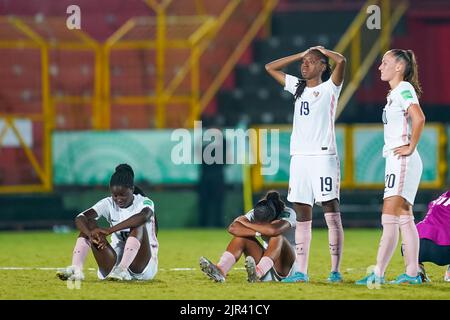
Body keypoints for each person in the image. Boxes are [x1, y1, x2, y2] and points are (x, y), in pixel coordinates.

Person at [265, 46, 346, 283]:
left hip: (323, 156)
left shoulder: (330, 88)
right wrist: (299, 54)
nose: (306, 64)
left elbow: (341, 61)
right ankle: (301, 271)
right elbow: (270, 67)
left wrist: (323, 51)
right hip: (299, 157)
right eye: (305, 61)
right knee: (302, 213)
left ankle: (335, 270)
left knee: (330, 210)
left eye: (312, 61)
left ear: (323, 66)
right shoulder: (298, 87)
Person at [356, 49, 426, 285]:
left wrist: (410, 147)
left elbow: (419, 117)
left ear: (398, 67)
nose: (379, 67)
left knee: (389, 218)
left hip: (402, 160)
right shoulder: (396, 92)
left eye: (384, 62)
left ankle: (377, 274)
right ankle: (413, 273)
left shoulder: (403, 89)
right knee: (405, 217)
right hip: (399, 160)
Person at [56, 164, 159, 281]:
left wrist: (109, 230)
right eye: (115, 195)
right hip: (113, 263)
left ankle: (122, 269)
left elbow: (143, 216)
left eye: (123, 195)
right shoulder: (108, 203)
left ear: (132, 189)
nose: (118, 199)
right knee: (89, 223)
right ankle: (76, 269)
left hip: (142, 265)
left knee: (137, 223)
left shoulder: (144, 202)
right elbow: (80, 218)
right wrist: (91, 235)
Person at [199, 191, 297, 282]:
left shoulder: (288, 213)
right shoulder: (258, 212)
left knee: (277, 237)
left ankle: (258, 272)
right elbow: (233, 228)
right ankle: (220, 270)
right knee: (241, 237)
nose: (258, 224)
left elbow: (273, 230)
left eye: (262, 224)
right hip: (266, 265)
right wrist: (257, 232)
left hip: (287, 268)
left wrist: (247, 224)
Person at [414, 190, 450, 282]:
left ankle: (417, 271)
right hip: (445, 249)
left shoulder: (442, 197)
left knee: (409, 235)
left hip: (417, 246)